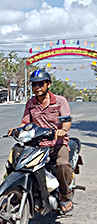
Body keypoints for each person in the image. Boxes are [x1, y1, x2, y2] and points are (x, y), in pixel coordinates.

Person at [8, 69, 73, 213]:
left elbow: (67, 122)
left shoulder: (60, 101)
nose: (37, 87)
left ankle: (64, 195)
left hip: (56, 143)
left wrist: (62, 131)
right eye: (34, 84)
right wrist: (16, 130)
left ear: (48, 84)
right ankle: (17, 191)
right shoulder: (30, 103)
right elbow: (25, 122)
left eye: (40, 84)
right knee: (15, 160)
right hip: (37, 144)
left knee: (62, 165)